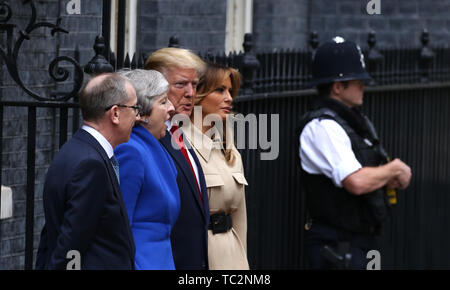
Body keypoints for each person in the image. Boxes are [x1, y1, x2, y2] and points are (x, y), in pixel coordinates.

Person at [297, 37, 412, 269]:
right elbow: (356, 181)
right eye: (357, 81)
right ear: (338, 87)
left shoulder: (355, 122)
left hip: (357, 241)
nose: (363, 86)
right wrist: (394, 168)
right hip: (336, 245)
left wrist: (384, 174)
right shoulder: (323, 127)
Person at [35, 73, 139, 270]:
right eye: (134, 108)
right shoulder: (92, 165)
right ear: (115, 113)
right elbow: (71, 243)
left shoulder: (74, 150)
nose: (138, 116)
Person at [144, 47, 210, 270]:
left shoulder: (177, 132)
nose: (191, 93)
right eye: (181, 84)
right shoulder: (147, 141)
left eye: (195, 84)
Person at [183, 63, 249, 270]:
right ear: (199, 94)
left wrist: (242, 260)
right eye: (220, 90)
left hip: (232, 255)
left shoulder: (229, 148)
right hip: (200, 254)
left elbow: (240, 216)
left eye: (230, 91)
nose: (229, 98)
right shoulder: (180, 146)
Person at [114, 69, 178, 270]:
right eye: (163, 102)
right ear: (141, 114)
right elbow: (119, 229)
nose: (172, 108)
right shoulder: (130, 151)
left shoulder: (153, 147)